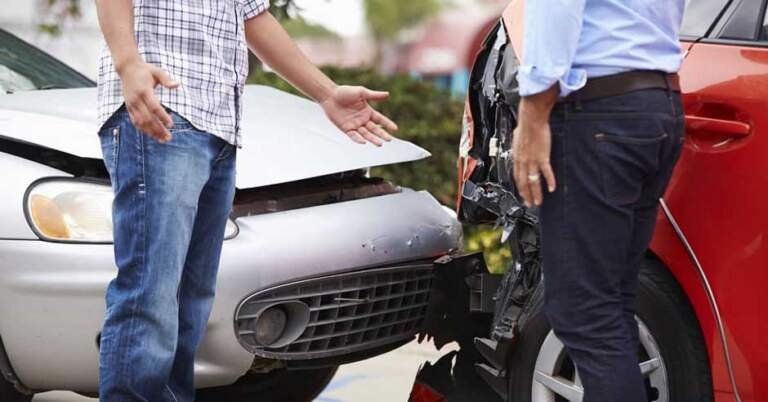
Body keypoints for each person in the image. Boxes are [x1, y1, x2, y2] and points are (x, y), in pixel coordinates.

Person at [93, 1, 398, 400]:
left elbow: (252, 17)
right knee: (150, 295)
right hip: (161, 108)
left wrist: (326, 94)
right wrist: (128, 63)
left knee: (191, 304)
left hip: (218, 125)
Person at [510, 0, 685, 400]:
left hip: (600, 113)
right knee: (611, 304)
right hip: (657, 105)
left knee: (584, 312)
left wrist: (533, 113)